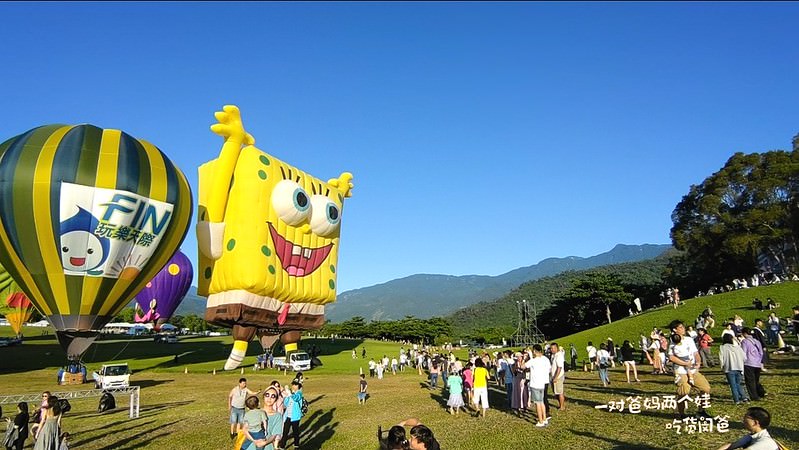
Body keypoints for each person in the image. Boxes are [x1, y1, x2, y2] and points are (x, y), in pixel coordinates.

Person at [668, 320, 712, 419]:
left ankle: (701, 411)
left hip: (692, 369)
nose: (683, 329)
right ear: (675, 330)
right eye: (681, 327)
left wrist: (698, 361)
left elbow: (695, 353)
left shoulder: (689, 339)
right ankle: (682, 413)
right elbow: (671, 357)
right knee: (684, 392)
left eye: (683, 327)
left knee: (705, 388)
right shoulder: (673, 341)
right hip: (680, 371)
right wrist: (684, 363)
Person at [715, 407, 779, 450]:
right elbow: (732, 445)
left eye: (746, 419)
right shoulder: (753, 435)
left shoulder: (764, 442)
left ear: (755, 422)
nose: (743, 421)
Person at [718, 333, 748, 405]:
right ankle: (744, 397)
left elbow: (721, 359)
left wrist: (722, 367)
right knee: (738, 384)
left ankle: (736, 400)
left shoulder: (722, 348)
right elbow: (744, 358)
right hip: (739, 368)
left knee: (733, 385)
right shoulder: (738, 347)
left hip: (729, 368)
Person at [527, 344, 551, 427]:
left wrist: (528, 356)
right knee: (542, 402)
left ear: (534, 351)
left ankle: (540, 421)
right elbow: (549, 369)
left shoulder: (533, 360)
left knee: (537, 403)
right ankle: (544, 419)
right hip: (542, 383)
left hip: (535, 384)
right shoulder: (545, 359)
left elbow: (523, 366)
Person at [740, 328, 767, 401]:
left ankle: (754, 396)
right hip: (757, 363)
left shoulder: (745, 341)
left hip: (749, 363)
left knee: (750, 381)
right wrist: (759, 361)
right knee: (756, 380)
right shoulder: (757, 341)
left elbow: (743, 353)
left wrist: (742, 362)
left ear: (745, 333)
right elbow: (761, 352)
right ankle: (760, 393)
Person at [281, 380, 304, 449]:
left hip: (295, 416)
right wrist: (287, 395)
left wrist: (290, 394)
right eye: (293, 385)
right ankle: (282, 446)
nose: (293, 386)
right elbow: (285, 403)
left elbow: (296, 398)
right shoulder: (291, 393)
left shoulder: (299, 393)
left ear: (298, 386)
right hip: (288, 416)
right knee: (285, 432)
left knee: (295, 432)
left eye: (295, 385)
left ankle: (296, 445)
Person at [549, 342, 566, 410]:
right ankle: (560, 404)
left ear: (557, 348)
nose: (552, 349)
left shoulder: (559, 355)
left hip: (558, 376)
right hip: (553, 376)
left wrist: (556, 377)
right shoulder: (553, 355)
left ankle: (562, 406)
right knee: (555, 392)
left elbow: (559, 367)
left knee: (559, 392)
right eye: (551, 348)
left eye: (553, 348)